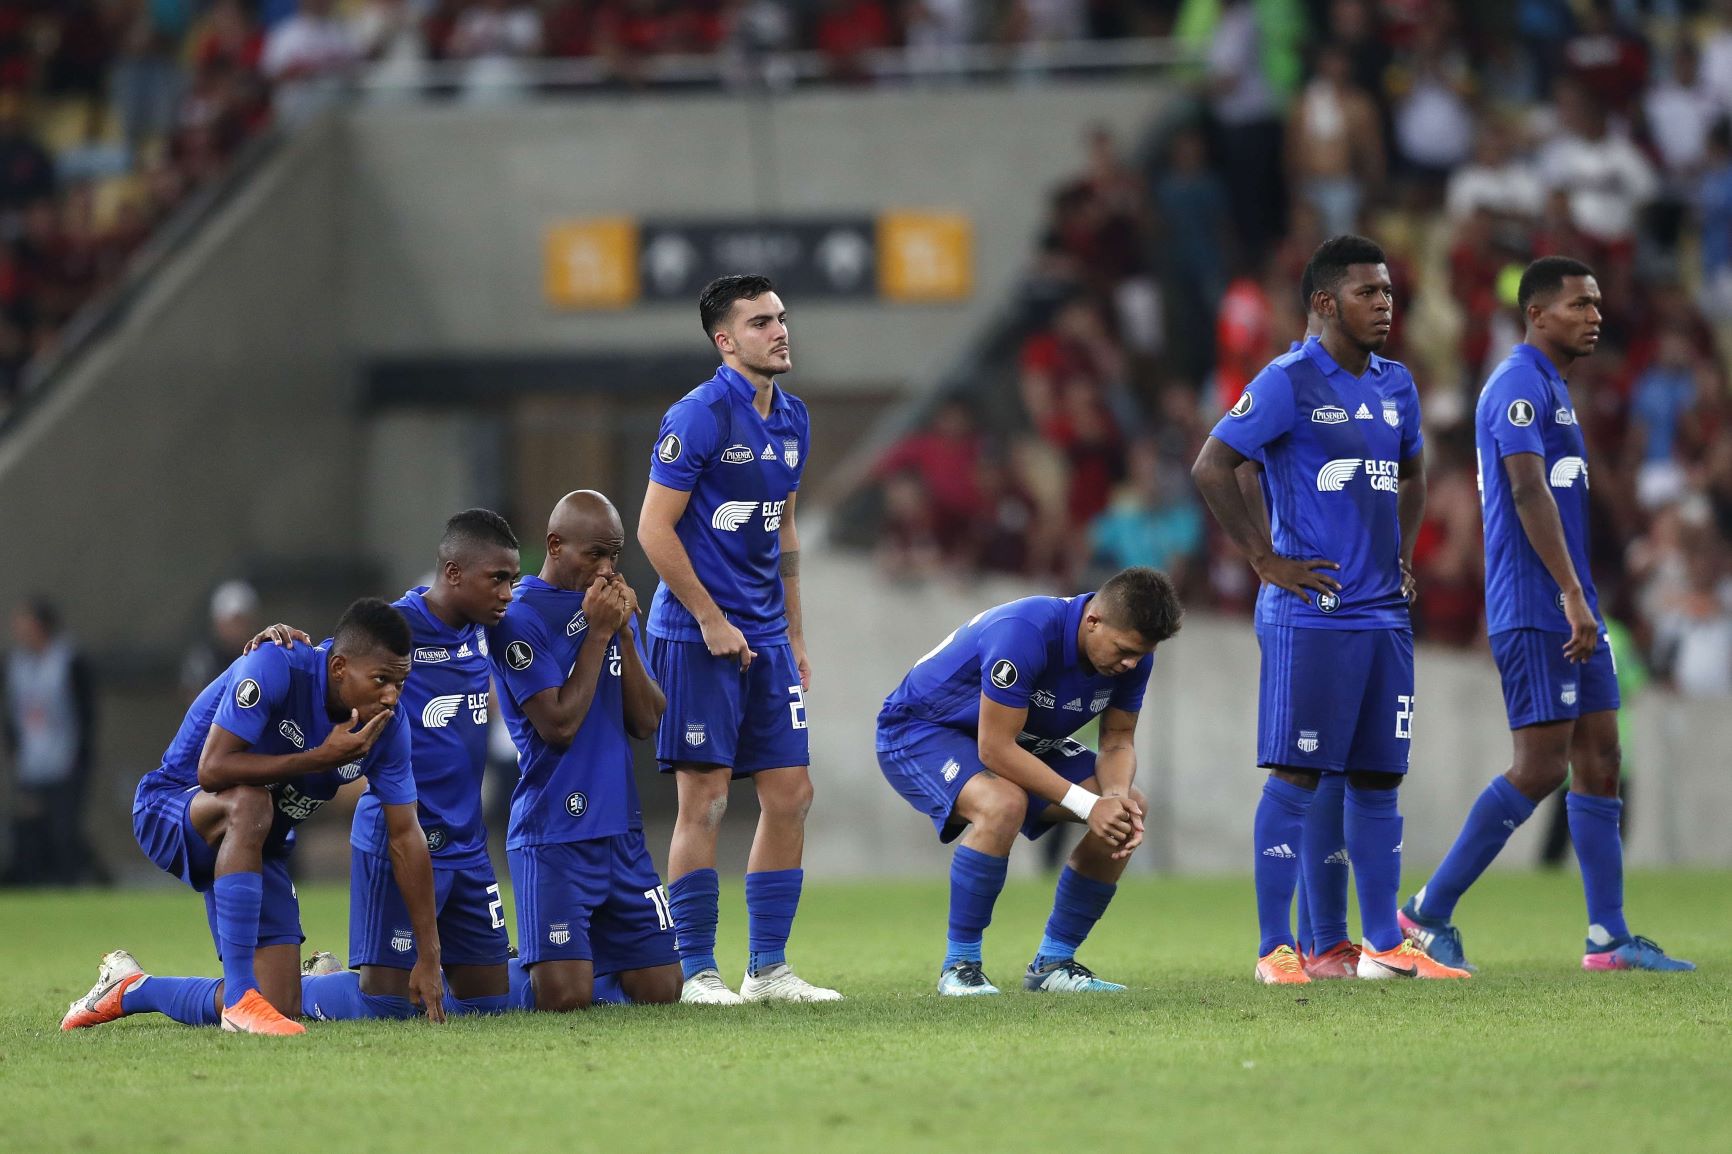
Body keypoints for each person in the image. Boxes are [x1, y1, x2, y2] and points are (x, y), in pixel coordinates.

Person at [1398, 257, 1694, 973]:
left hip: (1571, 602)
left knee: (1601, 758)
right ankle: (1425, 912)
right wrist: (1567, 591)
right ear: (1536, 314)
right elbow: (1527, 492)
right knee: (1540, 767)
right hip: (1536, 607)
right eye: (1578, 305)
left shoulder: (1554, 389)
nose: (1594, 315)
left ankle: (1609, 937)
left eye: (1597, 304)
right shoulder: (1516, 387)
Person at [1191, 234, 1468, 984]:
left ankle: (1381, 942)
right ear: (1324, 303)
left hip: (1383, 614)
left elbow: (1411, 473)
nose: (1385, 305)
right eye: (1368, 293)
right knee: (1296, 777)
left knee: (1379, 779)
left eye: (1388, 292)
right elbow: (1213, 464)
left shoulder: (1396, 384)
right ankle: (1275, 950)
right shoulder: (1287, 381)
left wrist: (1400, 555)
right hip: (1312, 614)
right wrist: (1263, 558)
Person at [60, 600, 445, 1035]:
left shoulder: (387, 728)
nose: (391, 696)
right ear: (339, 668)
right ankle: (241, 996)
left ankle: (131, 989)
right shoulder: (276, 664)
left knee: (281, 1004)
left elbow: (406, 834)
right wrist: (318, 758)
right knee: (250, 801)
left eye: (400, 681)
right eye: (381, 680)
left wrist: (428, 955)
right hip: (174, 808)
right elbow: (213, 769)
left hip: (259, 841)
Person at [637, 274, 840, 1004]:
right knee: (709, 802)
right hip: (697, 638)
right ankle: (697, 971)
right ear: (725, 341)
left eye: (781, 318)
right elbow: (653, 530)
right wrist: (710, 619)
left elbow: (782, 532)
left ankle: (769, 970)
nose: (780, 331)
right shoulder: (697, 416)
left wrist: (793, 631)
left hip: (766, 637)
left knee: (791, 793)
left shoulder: (793, 420)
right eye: (760, 323)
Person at [877, 568, 1182, 995]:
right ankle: (959, 967)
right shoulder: (1027, 632)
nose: (1131, 663)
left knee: (1129, 811)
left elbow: (1117, 739)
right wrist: (1086, 804)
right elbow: (994, 749)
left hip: (1021, 737)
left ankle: (1053, 964)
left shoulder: (1132, 654)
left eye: (1140, 654)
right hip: (923, 730)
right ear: (1092, 621)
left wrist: (1110, 799)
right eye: (1124, 650)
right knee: (1001, 803)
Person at [299, 510, 523, 1020]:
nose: (508, 592)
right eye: (498, 579)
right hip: (399, 836)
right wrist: (279, 642)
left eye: (512, 580)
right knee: (385, 1007)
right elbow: (325, 668)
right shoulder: (397, 628)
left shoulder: (489, 629)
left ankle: (384, 975)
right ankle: (296, 986)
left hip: (467, 844)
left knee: (491, 1001)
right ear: (452, 574)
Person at [490, 490, 683, 1011]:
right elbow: (558, 725)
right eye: (594, 554)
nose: (606, 569)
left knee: (662, 991)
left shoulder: (612, 610)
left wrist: (621, 635)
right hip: (554, 834)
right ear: (555, 545)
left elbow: (646, 720)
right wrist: (597, 633)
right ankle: (475, 974)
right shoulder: (520, 617)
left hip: (620, 831)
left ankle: (568, 956)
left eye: (614, 555)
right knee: (564, 999)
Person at [2, 598, 101, 887]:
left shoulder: (68, 660)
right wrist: (15, 753)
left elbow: (85, 713)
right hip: (32, 763)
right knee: (33, 829)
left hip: (65, 761)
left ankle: (78, 879)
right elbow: (13, 714)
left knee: (64, 830)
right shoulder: (16, 664)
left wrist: (82, 756)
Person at [180, 580, 261, 706]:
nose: (236, 629)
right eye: (231, 622)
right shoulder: (203, 660)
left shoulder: (264, 656)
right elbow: (195, 704)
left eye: (241, 622)